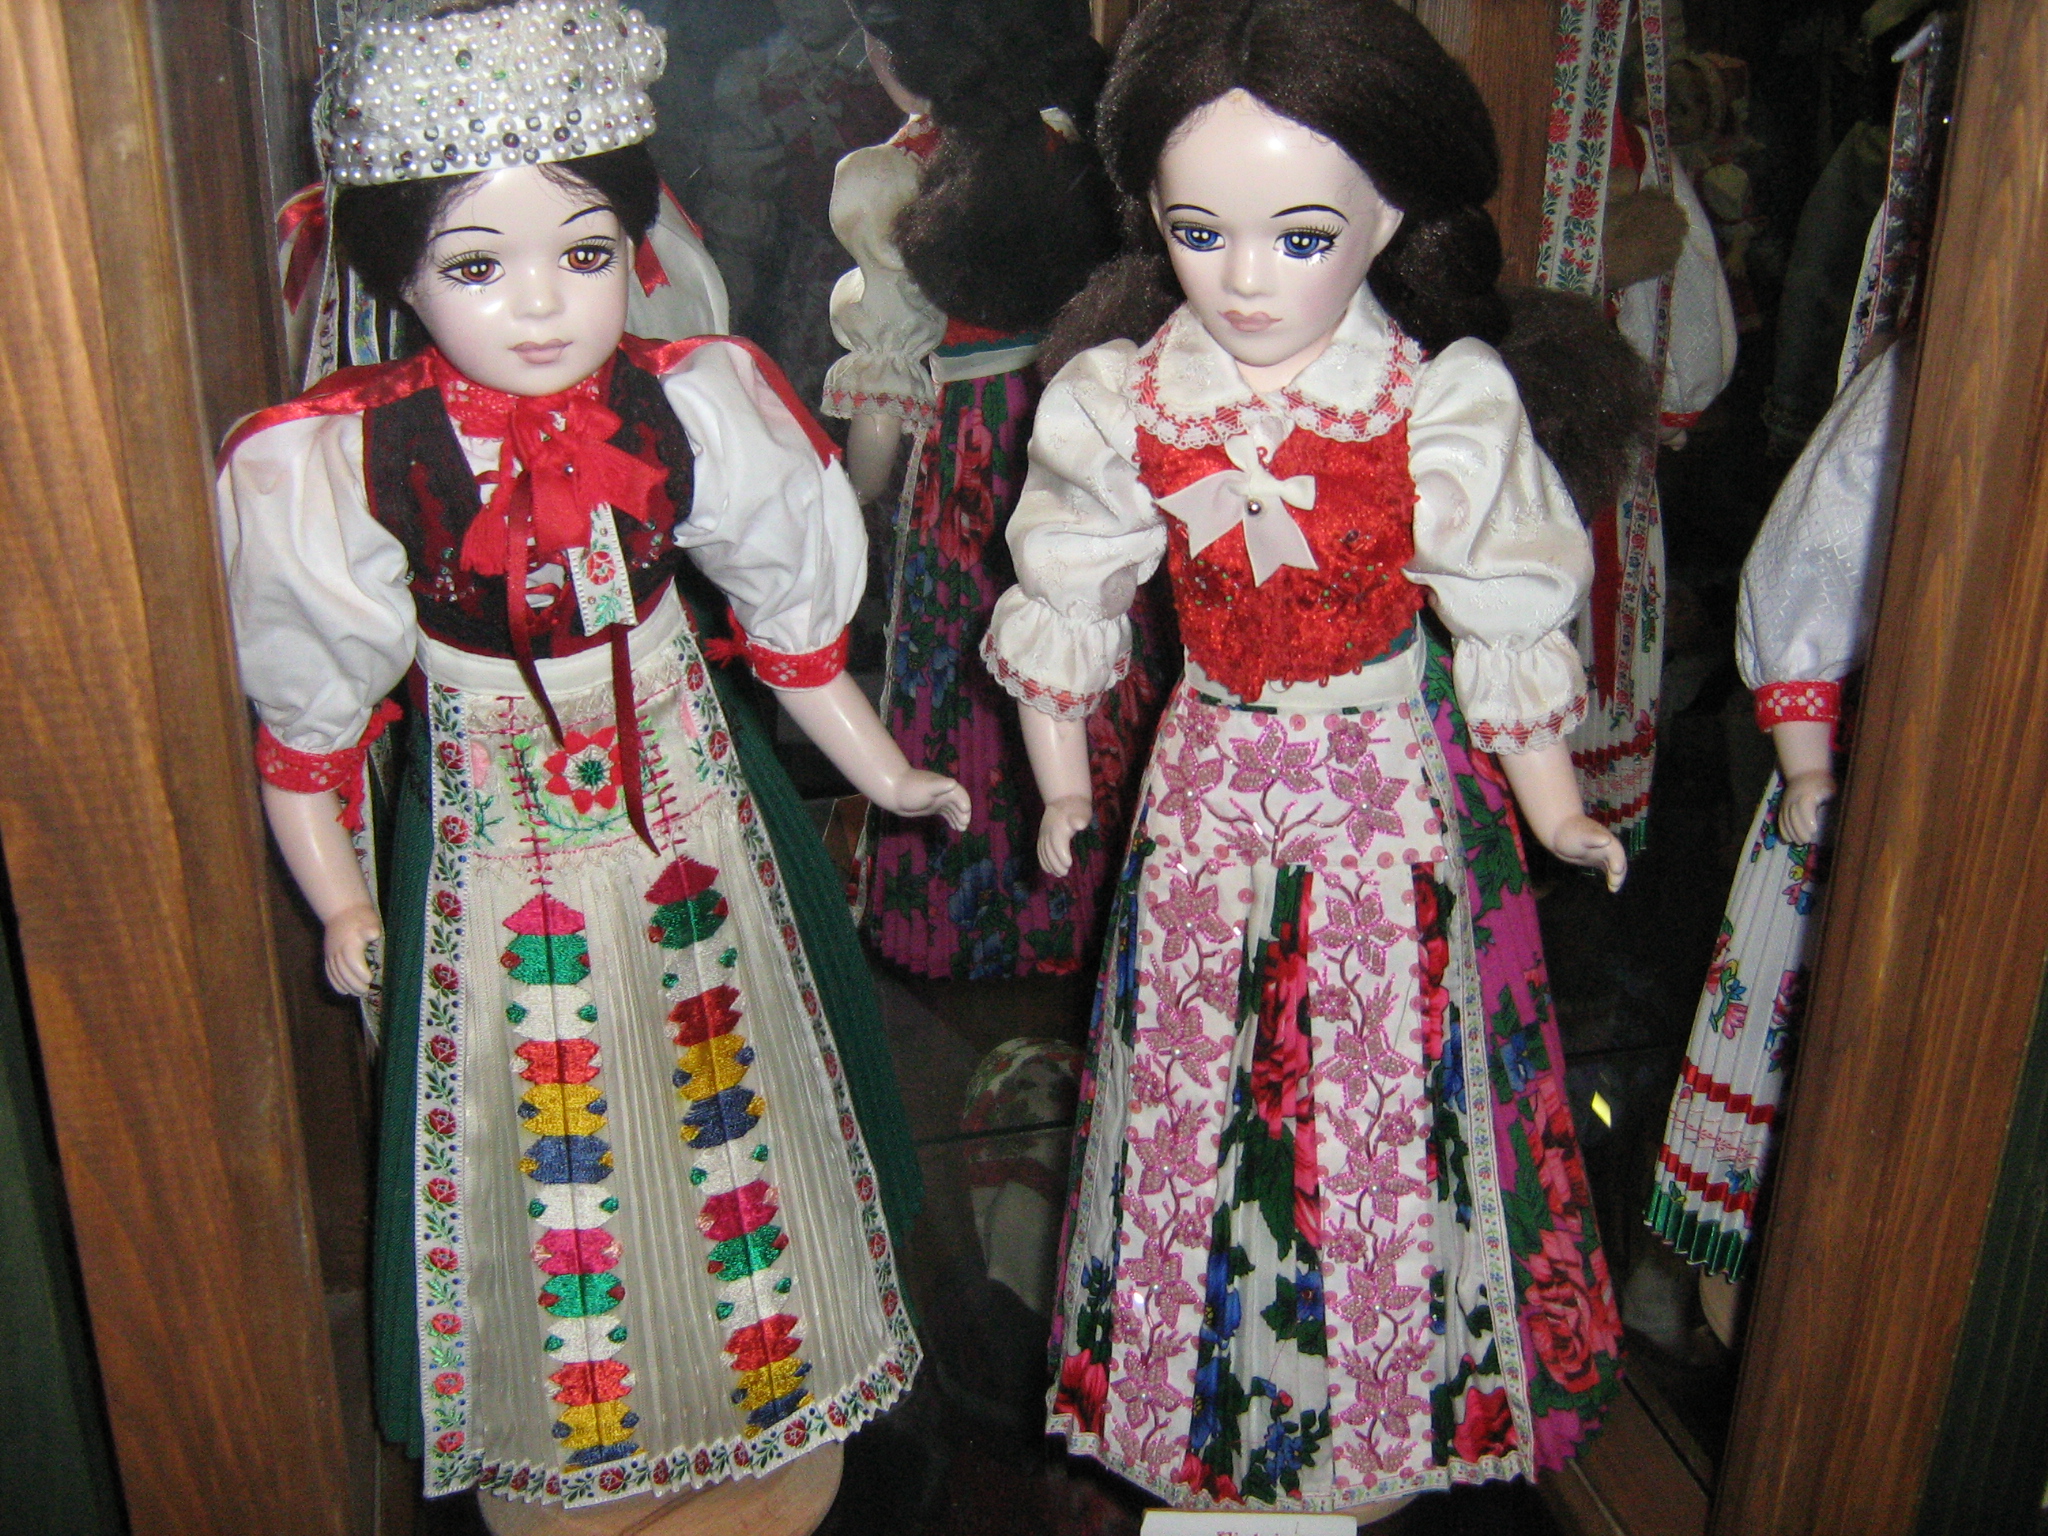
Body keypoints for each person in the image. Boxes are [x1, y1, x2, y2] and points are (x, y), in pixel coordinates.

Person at [215, 4, 966, 1528]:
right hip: (499, 844)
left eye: (584, 252)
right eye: (474, 267)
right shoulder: (348, 462)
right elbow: (308, 731)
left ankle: (761, 1387)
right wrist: (342, 899)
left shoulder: (690, 406)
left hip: (687, 806)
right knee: (543, 1127)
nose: (543, 306)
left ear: (637, 244)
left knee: (729, 1088)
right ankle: (577, 1430)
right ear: (400, 277)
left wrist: (885, 775)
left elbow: (793, 640)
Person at [982, 0, 1636, 1513]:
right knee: (1195, 1088)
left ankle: (1378, 1408)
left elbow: (1502, 611)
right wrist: (1065, 783)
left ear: (1386, 216)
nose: (1243, 278)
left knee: (1382, 1087)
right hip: (1209, 782)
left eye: (1298, 236)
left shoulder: (1434, 406)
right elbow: (1069, 596)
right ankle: (1207, 1402)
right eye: (1198, 232)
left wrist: (1555, 805)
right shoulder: (1130, 398)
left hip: (1380, 791)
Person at [823, 0, 1170, 980]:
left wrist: (855, 494)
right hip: (1092, 429)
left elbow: (880, 412)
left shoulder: (899, 174)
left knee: (970, 657)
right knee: (1092, 647)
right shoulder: (1089, 144)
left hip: (977, 444)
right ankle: (1102, 907)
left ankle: (972, 918)